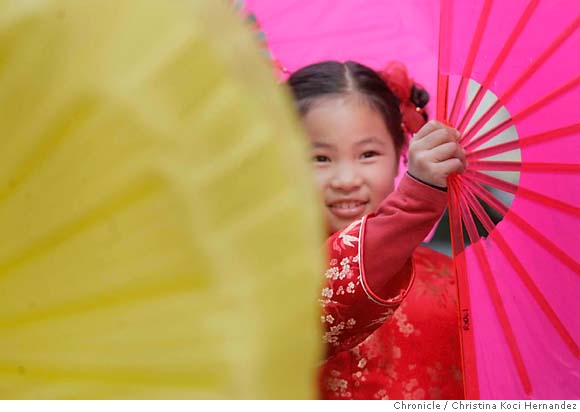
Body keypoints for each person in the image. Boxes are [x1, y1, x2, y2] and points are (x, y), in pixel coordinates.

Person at [287, 61, 465, 399]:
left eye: (368, 154)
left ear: (401, 152)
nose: (346, 180)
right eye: (319, 158)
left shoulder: (456, 280)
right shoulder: (256, 278)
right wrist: (416, 200)